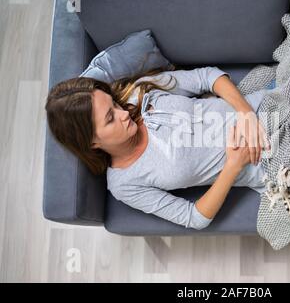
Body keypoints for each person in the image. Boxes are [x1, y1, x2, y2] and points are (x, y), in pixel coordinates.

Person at [45, 65, 273, 230]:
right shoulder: (125, 184)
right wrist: (233, 166)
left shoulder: (140, 93)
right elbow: (194, 218)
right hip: (271, 160)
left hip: (267, 104)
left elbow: (206, 76)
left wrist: (246, 114)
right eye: (110, 118)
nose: (124, 113)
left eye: (114, 104)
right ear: (93, 142)